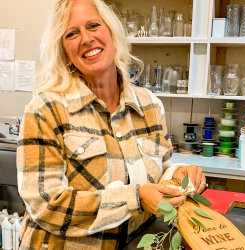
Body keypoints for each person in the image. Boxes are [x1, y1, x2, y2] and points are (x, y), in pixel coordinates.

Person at [16, 0, 206, 249]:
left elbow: (160, 167)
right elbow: (46, 205)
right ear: (64, 51)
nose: (86, 38)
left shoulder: (149, 105)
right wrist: (134, 199)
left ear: (113, 33)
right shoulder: (45, 110)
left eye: (93, 25)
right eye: (72, 34)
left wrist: (177, 175)